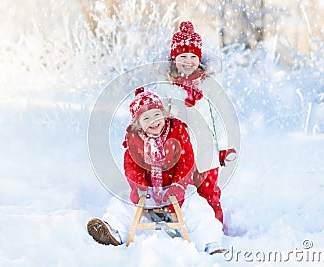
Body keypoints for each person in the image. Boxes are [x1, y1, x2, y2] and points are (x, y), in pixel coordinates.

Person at [87, 88, 226, 254]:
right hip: (148, 189)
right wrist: (139, 187)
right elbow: (131, 166)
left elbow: (186, 160)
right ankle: (114, 230)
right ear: (138, 124)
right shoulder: (135, 139)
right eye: (146, 118)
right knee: (122, 202)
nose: (153, 121)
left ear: (164, 114)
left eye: (156, 115)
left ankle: (210, 242)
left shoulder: (177, 131)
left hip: (176, 187)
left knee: (197, 206)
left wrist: (179, 185)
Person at [154, 21, 238, 226]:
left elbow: (220, 118)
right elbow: (156, 116)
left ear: (199, 59)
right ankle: (183, 230)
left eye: (193, 56)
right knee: (180, 194)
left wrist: (224, 147)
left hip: (206, 152)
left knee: (208, 193)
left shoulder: (208, 85)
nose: (188, 61)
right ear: (174, 59)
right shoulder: (165, 87)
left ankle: (215, 230)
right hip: (177, 154)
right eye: (183, 56)